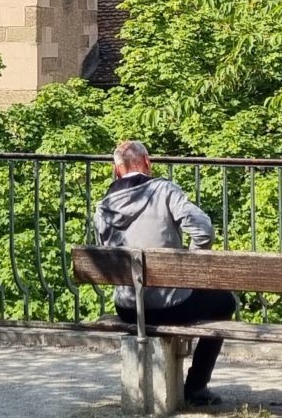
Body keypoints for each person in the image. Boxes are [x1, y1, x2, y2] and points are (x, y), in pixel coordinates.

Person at [93, 141, 236, 407]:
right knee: (225, 302)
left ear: (116, 169)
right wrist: (190, 265)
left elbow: (106, 254)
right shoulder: (164, 190)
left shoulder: (103, 207)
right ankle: (196, 386)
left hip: (128, 307)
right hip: (171, 305)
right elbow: (203, 230)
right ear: (147, 163)